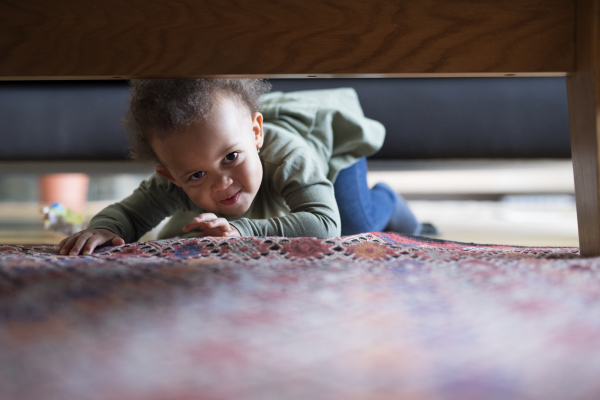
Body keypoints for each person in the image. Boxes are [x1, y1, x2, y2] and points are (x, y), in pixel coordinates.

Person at [58, 79, 424, 256]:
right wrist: (105, 228)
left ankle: (390, 202)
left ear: (255, 134)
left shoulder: (289, 156)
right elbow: (130, 215)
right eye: (197, 176)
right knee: (182, 234)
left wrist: (238, 229)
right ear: (170, 177)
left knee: (354, 227)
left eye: (231, 158)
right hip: (243, 139)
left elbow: (324, 224)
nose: (223, 184)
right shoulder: (176, 176)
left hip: (328, 152)